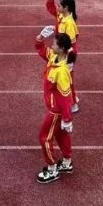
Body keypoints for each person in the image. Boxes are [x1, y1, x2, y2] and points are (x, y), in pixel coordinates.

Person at [34, 30, 74, 184]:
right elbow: (43, 50)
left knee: (44, 138)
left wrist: (67, 118)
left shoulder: (62, 71)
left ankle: (52, 169)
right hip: (56, 109)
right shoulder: (54, 57)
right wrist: (40, 37)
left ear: (62, 48)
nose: (52, 45)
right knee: (61, 135)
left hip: (56, 111)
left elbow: (65, 97)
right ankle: (66, 161)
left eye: (55, 43)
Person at [45, 0, 80, 112]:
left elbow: (71, 44)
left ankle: (74, 103)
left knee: (67, 81)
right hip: (61, 53)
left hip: (66, 55)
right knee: (65, 80)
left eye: (59, 6)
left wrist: (69, 60)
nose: (57, 7)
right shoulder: (62, 14)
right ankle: (72, 100)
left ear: (66, 8)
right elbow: (51, 8)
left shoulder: (69, 23)